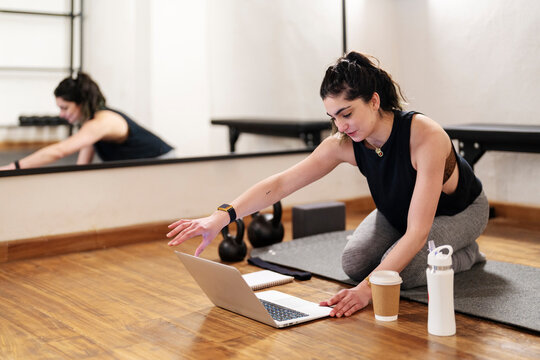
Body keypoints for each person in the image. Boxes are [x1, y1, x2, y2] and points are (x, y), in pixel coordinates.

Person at [166, 51, 489, 318]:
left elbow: (418, 232)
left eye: (346, 113)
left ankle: (466, 254)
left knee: (405, 274)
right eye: (333, 117)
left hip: (459, 212)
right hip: (399, 214)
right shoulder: (344, 143)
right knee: (355, 263)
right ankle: (432, 258)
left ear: (374, 101)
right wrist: (222, 216)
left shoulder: (425, 136)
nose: (341, 126)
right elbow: (281, 184)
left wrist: (365, 291)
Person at [0, 72, 174, 170]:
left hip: (163, 163)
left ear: (81, 103)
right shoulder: (91, 125)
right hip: (143, 167)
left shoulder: (101, 123)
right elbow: (82, 167)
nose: (61, 114)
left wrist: (14, 167)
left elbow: (59, 151)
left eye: (65, 107)